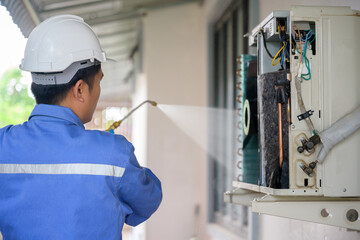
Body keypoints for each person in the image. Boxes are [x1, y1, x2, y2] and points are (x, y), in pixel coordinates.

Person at [0, 15, 162, 239]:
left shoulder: (3, 145)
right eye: (99, 81)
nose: (99, 90)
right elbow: (148, 199)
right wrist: (106, 153)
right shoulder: (114, 153)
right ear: (79, 90)